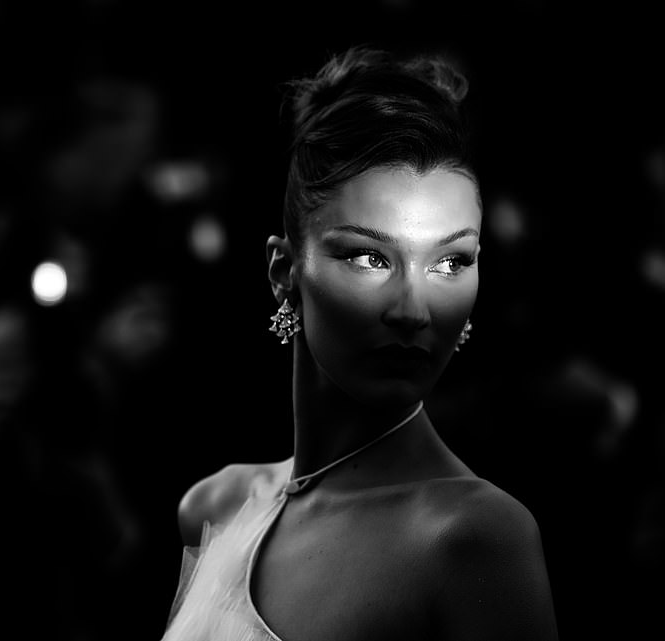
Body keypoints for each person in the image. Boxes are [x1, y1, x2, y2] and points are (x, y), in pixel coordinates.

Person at [161, 44, 559, 641]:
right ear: (284, 271)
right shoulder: (215, 509)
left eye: (450, 262)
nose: (413, 310)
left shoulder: (475, 538)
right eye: (370, 257)